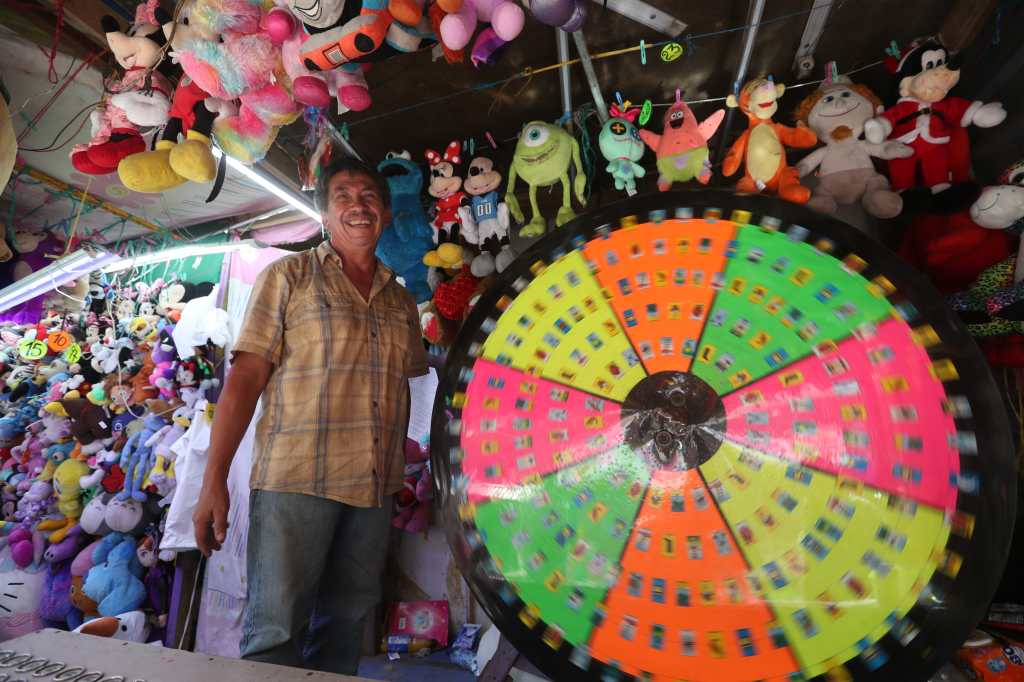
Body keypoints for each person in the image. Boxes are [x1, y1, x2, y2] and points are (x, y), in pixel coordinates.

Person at [191, 157, 429, 674]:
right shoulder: (287, 277)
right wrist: (213, 482)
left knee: (346, 625)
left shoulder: (402, 302)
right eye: (342, 194)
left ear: (385, 215)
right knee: (275, 630)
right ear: (324, 213)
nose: (357, 205)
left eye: (368, 196)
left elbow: (408, 382)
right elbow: (245, 380)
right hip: (296, 480)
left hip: (373, 486)